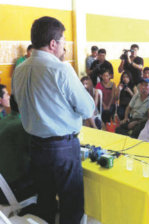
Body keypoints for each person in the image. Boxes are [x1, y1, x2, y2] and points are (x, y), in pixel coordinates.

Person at [11, 16, 95, 224]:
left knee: (46, 200)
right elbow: (87, 109)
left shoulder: (19, 70)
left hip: (36, 145)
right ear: (53, 44)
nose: (63, 47)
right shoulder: (61, 69)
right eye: (63, 42)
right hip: (62, 149)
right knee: (71, 204)